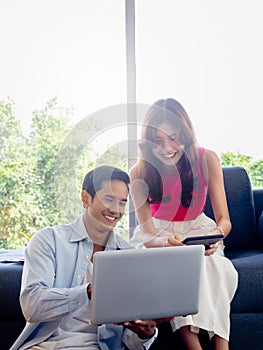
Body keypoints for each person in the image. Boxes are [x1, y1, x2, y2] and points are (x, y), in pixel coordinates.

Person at [11, 165, 171, 350]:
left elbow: (130, 343)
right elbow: (32, 305)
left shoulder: (128, 255)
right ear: (86, 198)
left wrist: (145, 334)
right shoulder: (49, 240)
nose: (115, 210)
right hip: (47, 346)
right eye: (109, 199)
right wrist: (88, 291)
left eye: (122, 202)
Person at [129, 98, 238, 350]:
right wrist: (166, 242)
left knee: (214, 267)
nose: (167, 147)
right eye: (158, 140)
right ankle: (193, 346)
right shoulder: (138, 172)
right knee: (179, 267)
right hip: (159, 235)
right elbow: (147, 235)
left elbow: (225, 220)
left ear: (186, 135)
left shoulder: (207, 159)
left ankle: (222, 346)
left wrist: (215, 234)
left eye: (174, 138)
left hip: (199, 229)